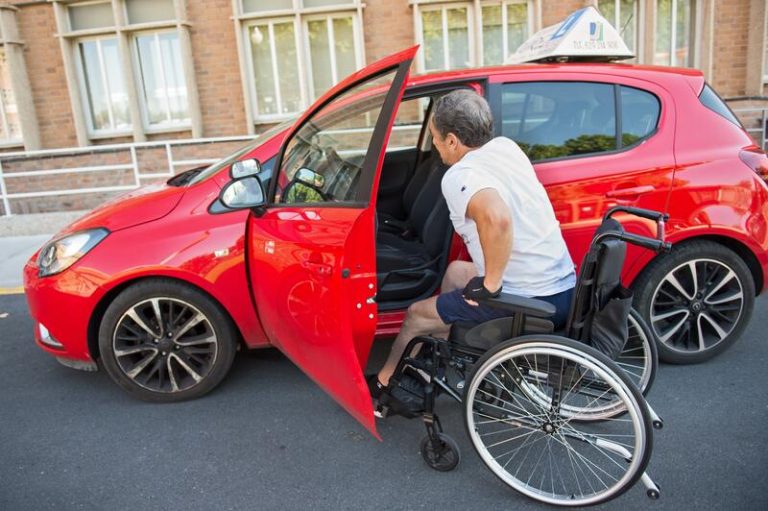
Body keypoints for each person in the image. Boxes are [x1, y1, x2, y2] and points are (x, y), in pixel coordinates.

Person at [370, 89, 576, 413]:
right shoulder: (505, 147)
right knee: (455, 272)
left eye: (435, 137)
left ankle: (385, 385)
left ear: (452, 141)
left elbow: (497, 218)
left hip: (530, 299)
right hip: (560, 287)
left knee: (416, 315)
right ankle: (429, 364)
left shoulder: (460, 175)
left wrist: (490, 285)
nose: (434, 144)